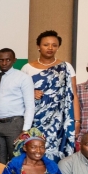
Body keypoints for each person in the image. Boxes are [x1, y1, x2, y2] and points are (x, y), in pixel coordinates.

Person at [22, 30, 79, 160]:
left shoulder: (66, 67)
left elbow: (73, 95)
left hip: (60, 120)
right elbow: (19, 94)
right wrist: (30, 93)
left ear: (58, 47)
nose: (50, 48)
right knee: (35, 150)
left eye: (54, 45)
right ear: (38, 46)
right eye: (46, 45)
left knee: (58, 152)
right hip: (35, 119)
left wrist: (76, 121)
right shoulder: (27, 68)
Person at [0, 48, 36, 164]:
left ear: (14, 60)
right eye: (1, 60)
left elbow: (30, 105)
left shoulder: (23, 78)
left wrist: (25, 130)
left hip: (15, 124)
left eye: (8, 60)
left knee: (16, 158)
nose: (4, 63)